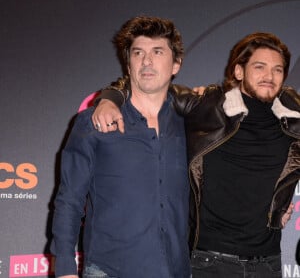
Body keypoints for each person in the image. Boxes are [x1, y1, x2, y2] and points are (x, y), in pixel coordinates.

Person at [92, 32, 300, 278]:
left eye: (278, 70)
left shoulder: (293, 116)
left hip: (268, 264)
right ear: (239, 72)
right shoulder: (208, 105)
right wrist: (110, 98)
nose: (269, 76)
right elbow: (148, 87)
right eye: (260, 67)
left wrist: (283, 205)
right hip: (209, 263)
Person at [51, 16, 192, 278]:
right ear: (128, 64)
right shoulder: (92, 122)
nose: (147, 61)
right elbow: (69, 200)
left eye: (157, 52)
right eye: (138, 53)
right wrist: (65, 269)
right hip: (109, 270)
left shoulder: (193, 124)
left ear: (176, 65)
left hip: (176, 270)